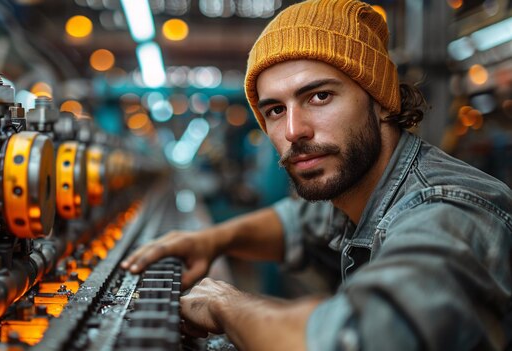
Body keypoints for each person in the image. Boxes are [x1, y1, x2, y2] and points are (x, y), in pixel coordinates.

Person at [121, 0, 512, 349]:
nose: (294, 130)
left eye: (319, 96)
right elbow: (296, 221)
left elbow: (355, 338)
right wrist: (210, 240)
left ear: (379, 100)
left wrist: (227, 305)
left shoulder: (446, 211)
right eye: (275, 110)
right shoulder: (358, 189)